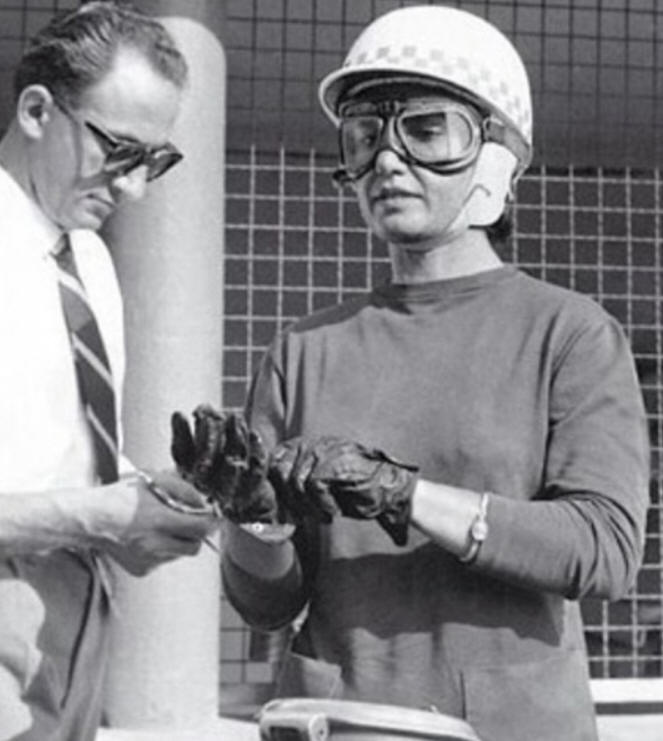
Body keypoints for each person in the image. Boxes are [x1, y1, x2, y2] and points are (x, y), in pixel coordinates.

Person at [195, 5, 648, 741]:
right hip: (337, 720)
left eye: (426, 130)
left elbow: (602, 550)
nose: (387, 161)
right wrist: (254, 522)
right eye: (364, 136)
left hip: (507, 725)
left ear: (497, 155)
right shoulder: (303, 349)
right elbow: (268, 606)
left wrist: (403, 494)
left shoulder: (570, 334)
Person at [0, 3, 219, 740]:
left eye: (155, 160)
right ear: (37, 111)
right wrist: (98, 517)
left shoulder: (88, 259)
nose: (135, 189)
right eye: (119, 151)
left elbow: (55, 454)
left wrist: (148, 500)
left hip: (81, 611)